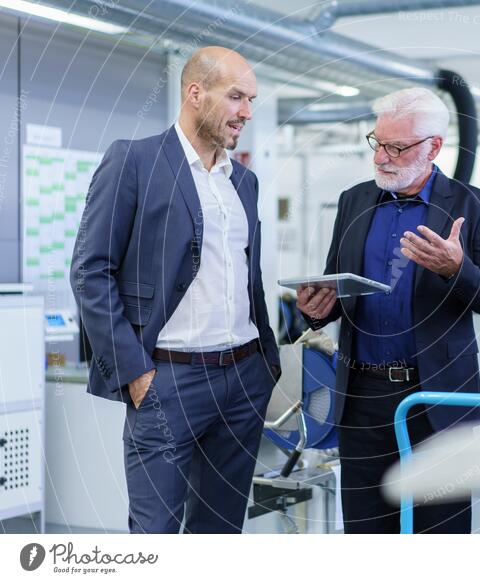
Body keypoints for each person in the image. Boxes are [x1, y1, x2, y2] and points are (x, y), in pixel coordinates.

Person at [70, 47, 281, 534]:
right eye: (236, 97)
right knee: (155, 536)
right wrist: (135, 374)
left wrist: (265, 366)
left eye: (251, 99)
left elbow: (246, 280)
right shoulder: (135, 161)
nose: (247, 112)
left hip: (243, 378)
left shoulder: (243, 181)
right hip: (168, 381)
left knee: (221, 532)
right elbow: (89, 271)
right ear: (195, 93)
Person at [297, 87, 480, 533]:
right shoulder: (353, 201)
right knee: (367, 535)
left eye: (397, 147)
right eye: (377, 142)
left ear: (434, 147)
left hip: (437, 400)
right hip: (362, 398)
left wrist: (456, 269)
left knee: (438, 536)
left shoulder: (475, 206)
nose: (382, 157)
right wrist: (315, 310)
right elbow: (336, 286)